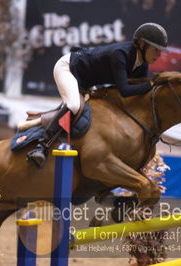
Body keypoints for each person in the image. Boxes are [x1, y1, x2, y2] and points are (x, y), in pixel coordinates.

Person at [27, 22, 169, 168]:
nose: (159, 55)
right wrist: (152, 84)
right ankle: (42, 146)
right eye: (156, 50)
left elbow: (137, 95)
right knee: (73, 105)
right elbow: (125, 91)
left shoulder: (142, 65)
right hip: (68, 68)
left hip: (87, 80)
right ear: (142, 44)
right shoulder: (120, 54)